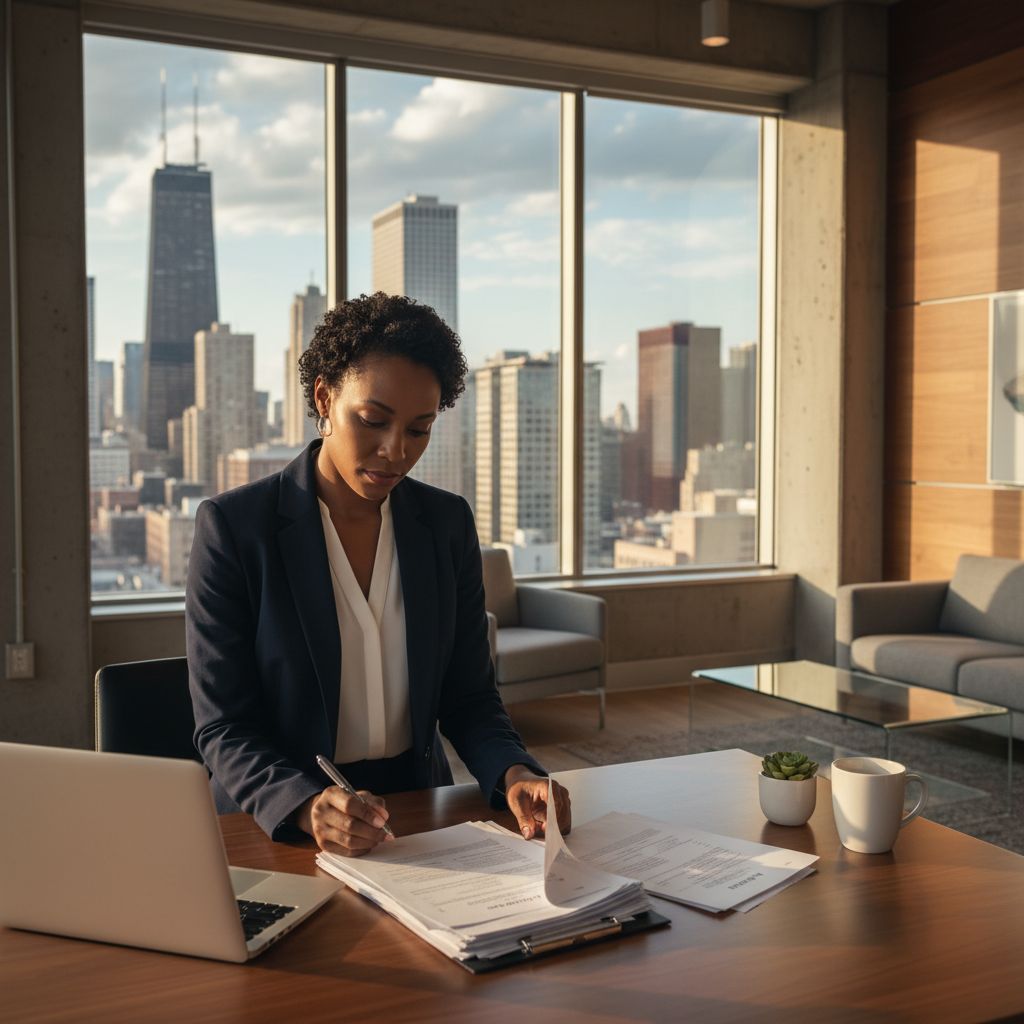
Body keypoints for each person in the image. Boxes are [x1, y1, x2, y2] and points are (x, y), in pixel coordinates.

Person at [186, 291, 570, 856]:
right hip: (279, 826)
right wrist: (306, 805)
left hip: (417, 816)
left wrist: (513, 772)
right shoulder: (235, 529)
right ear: (324, 397)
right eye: (373, 420)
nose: (395, 451)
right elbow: (223, 727)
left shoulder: (445, 524)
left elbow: (468, 697)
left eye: (419, 430)